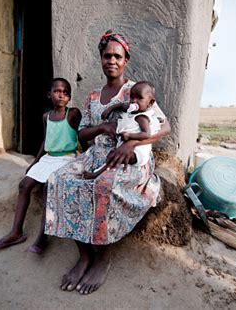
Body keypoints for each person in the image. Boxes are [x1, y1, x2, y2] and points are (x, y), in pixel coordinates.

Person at [44, 30, 171, 294]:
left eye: (117, 56)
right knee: (58, 180)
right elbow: (82, 134)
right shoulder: (92, 96)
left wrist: (131, 142)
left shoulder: (136, 91)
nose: (111, 60)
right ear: (100, 59)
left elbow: (165, 126)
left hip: (130, 158)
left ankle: (102, 257)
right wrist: (102, 127)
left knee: (103, 186)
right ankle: (85, 254)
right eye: (106, 56)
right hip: (97, 154)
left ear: (126, 60)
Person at [0, 78, 82, 254]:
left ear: (69, 97)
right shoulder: (46, 117)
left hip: (67, 158)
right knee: (24, 184)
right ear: (49, 95)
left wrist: (86, 158)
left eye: (65, 92)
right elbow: (45, 141)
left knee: (49, 187)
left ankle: (43, 236)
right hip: (48, 158)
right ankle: (16, 232)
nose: (61, 95)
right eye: (57, 91)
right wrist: (35, 162)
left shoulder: (73, 114)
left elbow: (82, 135)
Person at [83, 80, 161, 179]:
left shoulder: (142, 117)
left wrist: (130, 137)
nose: (134, 101)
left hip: (137, 152)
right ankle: (98, 173)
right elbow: (121, 105)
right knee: (113, 157)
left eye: (139, 98)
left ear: (150, 103)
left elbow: (146, 134)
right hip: (123, 147)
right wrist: (109, 110)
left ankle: (97, 174)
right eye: (132, 97)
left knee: (115, 159)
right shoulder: (132, 109)